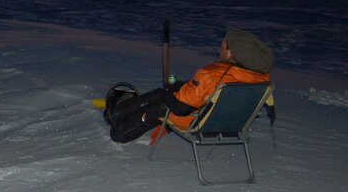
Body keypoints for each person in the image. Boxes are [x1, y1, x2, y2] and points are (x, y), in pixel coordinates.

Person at [105, 28, 273, 143]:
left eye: (222, 47)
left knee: (161, 102)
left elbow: (180, 107)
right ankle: (118, 112)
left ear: (231, 54)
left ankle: (117, 124)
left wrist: (167, 93)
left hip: (196, 122)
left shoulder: (210, 74)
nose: (218, 51)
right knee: (170, 91)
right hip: (229, 123)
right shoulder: (260, 78)